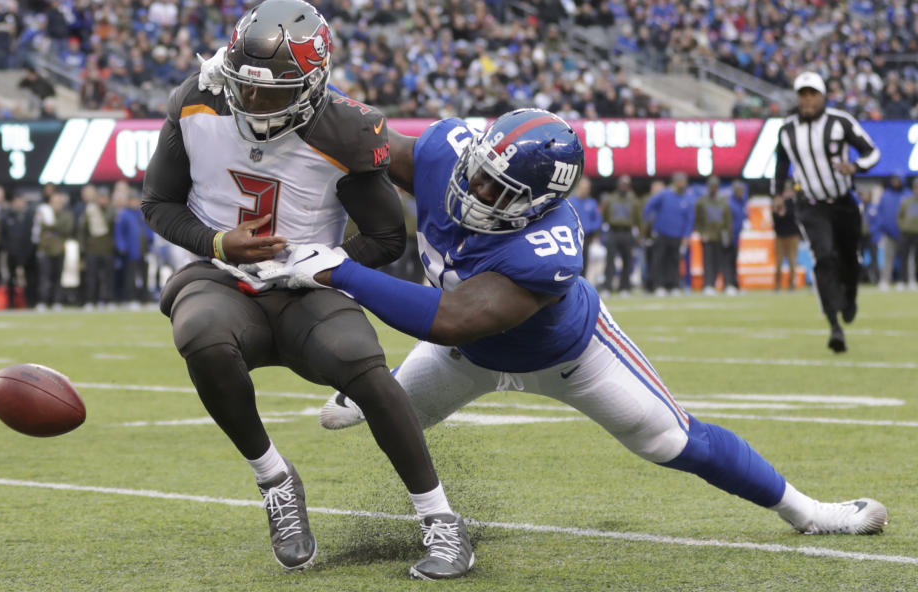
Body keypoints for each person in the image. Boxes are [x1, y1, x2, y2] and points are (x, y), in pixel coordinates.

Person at [255, 108, 888, 551]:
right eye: (476, 171)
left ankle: (810, 512)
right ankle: (376, 389)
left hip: (570, 355)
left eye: (495, 189)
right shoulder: (448, 154)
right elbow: (365, 140)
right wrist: (299, 99)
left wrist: (339, 270)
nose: (473, 190)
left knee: (672, 441)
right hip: (464, 353)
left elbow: (453, 317)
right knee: (360, 420)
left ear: (536, 201)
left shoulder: (547, 244)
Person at [141, 0, 473, 580]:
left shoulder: (345, 129)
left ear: (314, 83)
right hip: (222, 276)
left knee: (363, 365)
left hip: (306, 287)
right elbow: (158, 204)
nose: (254, 101)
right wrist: (219, 243)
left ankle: (441, 519)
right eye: (246, 87)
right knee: (200, 333)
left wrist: (321, 263)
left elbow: (386, 237)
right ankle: (273, 478)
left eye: (272, 92)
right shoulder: (197, 97)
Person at [772, 71, 880, 353]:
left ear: (823, 96)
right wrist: (777, 195)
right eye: (803, 95)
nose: (807, 100)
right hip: (810, 204)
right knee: (824, 257)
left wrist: (855, 167)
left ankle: (851, 296)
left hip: (843, 201)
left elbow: (872, 152)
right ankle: (834, 326)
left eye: (812, 94)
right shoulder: (787, 130)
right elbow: (780, 165)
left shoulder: (840, 122)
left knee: (850, 260)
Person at [643, 173, 694, 296]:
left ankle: (673, 285)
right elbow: (648, 206)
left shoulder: (687, 199)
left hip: (677, 235)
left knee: (674, 261)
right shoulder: (664, 195)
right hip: (662, 233)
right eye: (679, 181)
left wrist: (686, 236)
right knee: (659, 260)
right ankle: (657, 285)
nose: (682, 184)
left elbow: (689, 220)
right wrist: (648, 224)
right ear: (674, 182)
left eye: (684, 181)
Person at [600, 175, 641, 295]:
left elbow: (638, 219)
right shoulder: (610, 199)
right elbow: (604, 216)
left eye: (626, 184)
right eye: (622, 184)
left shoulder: (633, 200)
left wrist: (639, 235)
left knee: (627, 261)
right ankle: (608, 286)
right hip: (613, 231)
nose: (624, 186)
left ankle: (625, 287)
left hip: (627, 232)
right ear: (618, 184)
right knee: (610, 260)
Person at [77, 186, 115, 309]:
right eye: (101, 198)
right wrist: (82, 247)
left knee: (107, 276)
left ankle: (107, 300)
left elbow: (113, 228)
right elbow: (82, 231)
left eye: (105, 198)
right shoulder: (90, 210)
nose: (103, 200)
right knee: (91, 276)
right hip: (92, 248)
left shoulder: (111, 210)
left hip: (107, 248)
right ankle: (90, 300)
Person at [35, 192, 72, 310]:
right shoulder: (44, 213)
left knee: (58, 277)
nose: (57, 205)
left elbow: (66, 228)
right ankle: (43, 301)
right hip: (45, 250)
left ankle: (57, 301)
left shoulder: (66, 215)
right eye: (54, 202)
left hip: (60, 249)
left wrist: (51, 228)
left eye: (59, 202)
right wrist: (54, 228)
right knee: (44, 278)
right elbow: (39, 229)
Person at [694, 176, 731, 295]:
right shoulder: (702, 202)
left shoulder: (723, 202)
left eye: (715, 186)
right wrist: (701, 232)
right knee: (708, 262)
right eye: (711, 186)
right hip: (708, 237)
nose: (713, 189)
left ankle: (726, 284)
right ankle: (708, 284)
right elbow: (697, 220)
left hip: (720, 236)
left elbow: (727, 221)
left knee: (722, 262)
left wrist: (727, 235)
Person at [874, 173, 908, 291]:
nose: (895, 182)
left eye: (897, 180)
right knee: (888, 258)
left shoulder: (907, 194)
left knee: (907, 259)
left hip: (905, 233)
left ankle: (905, 281)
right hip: (888, 233)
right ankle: (885, 281)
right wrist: (879, 230)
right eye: (894, 180)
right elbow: (880, 214)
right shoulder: (886, 195)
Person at [567, 176, 601, 282]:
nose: (585, 190)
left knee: (584, 260)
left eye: (587, 188)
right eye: (583, 187)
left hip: (586, 237)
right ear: (578, 188)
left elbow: (598, 220)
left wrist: (589, 228)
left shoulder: (592, 203)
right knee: (571, 260)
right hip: (571, 237)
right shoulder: (570, 202)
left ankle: (582, 282)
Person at [772, 182, 801, 291]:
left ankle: (792, 284)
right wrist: (779, 214)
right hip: (780, 235)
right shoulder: (779, 202)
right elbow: (774, 218)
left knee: (792, 261)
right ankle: (777, 285)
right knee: (778, 262)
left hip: (793, 236)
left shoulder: (794, 203)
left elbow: (797, 216)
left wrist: (786, 213)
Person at [725, 180, 747, 294]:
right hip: (729, 236)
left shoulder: (742, 203)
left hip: (737, 237)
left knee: (734, 261)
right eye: (739, 190)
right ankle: (729, 284)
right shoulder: (729, 203)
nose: (741, 193)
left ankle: (735, 284)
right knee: (728, 261)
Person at [897, 177, 918, 290]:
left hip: (917, 234)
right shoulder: (906, 201)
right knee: (904, 257)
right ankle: (902, 281)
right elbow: (899, 217)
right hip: (906, 233)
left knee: (916, 259)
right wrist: (903, 227)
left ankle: (914, 280)